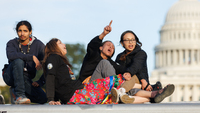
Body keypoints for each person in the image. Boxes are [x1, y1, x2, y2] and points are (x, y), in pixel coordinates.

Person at [43, 38, 175, 105]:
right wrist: (51, 99)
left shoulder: (59, 61)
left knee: (116, 98)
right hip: (78, 92)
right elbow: (51, 77)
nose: (63, 44)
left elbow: (56, 81)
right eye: (60, 43)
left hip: (79, 94)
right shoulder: (54, 57)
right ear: (54, 46)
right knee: (121, 80)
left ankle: (152, 96)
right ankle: (151, 90)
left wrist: (56, 98)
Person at [78, 21, 136, 103]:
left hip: (101, 88)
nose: (111, 47)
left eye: (113, 47)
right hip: (88, 86)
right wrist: (103, 34)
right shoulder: (93, 55)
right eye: (108, 45)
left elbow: (123, 69)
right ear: (101, 48)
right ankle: (118, 90)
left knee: (129, 75)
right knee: (104, 63)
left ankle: (123, 93)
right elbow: (92, 45)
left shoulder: (111, 63)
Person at [2, 20, 47, 104]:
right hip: (10, 76)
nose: (22, 34)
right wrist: (31, 57)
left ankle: (15, 92)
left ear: (30, 32)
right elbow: (11, 56)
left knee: (43, 98)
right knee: (18, 61)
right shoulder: (12, 43)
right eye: (20, 31)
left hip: (25, 78)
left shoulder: (38, 45)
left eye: (25, 31)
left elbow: (48, 64)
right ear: (17, 32)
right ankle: (19, 95)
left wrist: (40, 81)